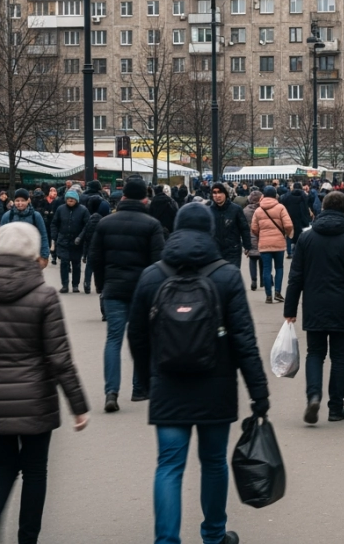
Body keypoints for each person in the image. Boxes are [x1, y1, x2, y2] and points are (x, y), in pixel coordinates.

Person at [127, 203, 269, 544]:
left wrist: (147, 381)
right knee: (214, 462)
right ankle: (214, 535)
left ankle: (166, 540)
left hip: (168, 383)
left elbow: (137, 335)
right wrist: (258, 393)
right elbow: (244, 340)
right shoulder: (226, 275)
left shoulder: (153, 275)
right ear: (209, 231)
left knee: (169, 466)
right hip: (215, 385)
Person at [0, 222, 90, 544]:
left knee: (6, 464)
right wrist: (78, 407)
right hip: (36, 398)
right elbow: (60, 358)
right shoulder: (45, 295)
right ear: (32, 252)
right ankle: (28, 538)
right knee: (35, 470)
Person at [285, 191, 344, 424]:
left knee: (315, 354)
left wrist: (290, 309)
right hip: (343, 304)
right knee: (340, 357)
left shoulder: (306, 238)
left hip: (314, 303)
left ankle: (313, 396)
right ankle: (336, 407)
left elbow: (296, 276)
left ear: (322, 209)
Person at [89, 178, 165, 413]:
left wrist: (103, 287)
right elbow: (158, 262)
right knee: (142, 338)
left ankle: (111, 391)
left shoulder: (105, 223)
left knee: (113, 339)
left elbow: (96, 258)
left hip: (114, 288)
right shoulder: (152, 224)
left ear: (122, 197)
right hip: (142, 290)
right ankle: (139, 387)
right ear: (144, 198)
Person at [249, 188, 293, 304]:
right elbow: (288, 225)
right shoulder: (281, 208)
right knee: (279, 268)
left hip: (264, 243)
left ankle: (268, 295)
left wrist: (261, 234)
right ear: (275, 196)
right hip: (278, 243)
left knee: (266, 269)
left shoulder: (258, 210)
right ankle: (277, 292)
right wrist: (286, 234)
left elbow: (253, 228)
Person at [0, 189, 50, 268]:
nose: (20, 203)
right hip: (12, 258)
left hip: (32, 258)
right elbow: (1, 237)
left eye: (23, 200)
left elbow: (43, 235)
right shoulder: (7, 216)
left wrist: (44, 256)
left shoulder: (36, 216)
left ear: (28, 201)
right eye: (17, 201)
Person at [51, 189, 90, 293]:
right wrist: (54, 237)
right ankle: (64, 285)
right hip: (63, 240)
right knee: (64, 263)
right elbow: (54, 223)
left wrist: (81, 237)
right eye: (68, 198)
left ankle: (75, 285)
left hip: (77, 242)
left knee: (76, 263)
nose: (70, 200)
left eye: (72, 198)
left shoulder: (83, 210)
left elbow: (87, 225)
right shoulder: (60, 209)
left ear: (76, 199)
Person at [208, 182, 252, 269]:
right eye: (215, 193)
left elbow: (244, 228)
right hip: (215, 250)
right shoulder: (209, 211)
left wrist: (247, 245)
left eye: (220, 192)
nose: (217, 196)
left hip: (233, 250)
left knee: (232, 277)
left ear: (225, 194)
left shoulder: (235, 209)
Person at [81, 195, 106, 294]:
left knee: (89, 266)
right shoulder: (102, 218)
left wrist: (84, 253)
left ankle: (87, 284)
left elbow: (86, 235)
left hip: (91, 246)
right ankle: (98, 286)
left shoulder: (90, 218)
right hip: (100, 247)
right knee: (98, 267)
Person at [281, 182, 311, 258]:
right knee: (301, 235)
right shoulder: (304, 196)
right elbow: (309, 204)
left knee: (289, 235)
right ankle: (299, 251)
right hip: (302, 218)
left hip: (290, 217)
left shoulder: (287, 196)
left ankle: (289, 252)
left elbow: (283, 202)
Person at [242, 190, 264, 292]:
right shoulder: (263, 209)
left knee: (252, 259)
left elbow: (243, 226)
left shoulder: (245, 210)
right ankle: (263, 279)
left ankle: (253, 280)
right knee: (263, 259)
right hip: (262, 237)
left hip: (250, 237)